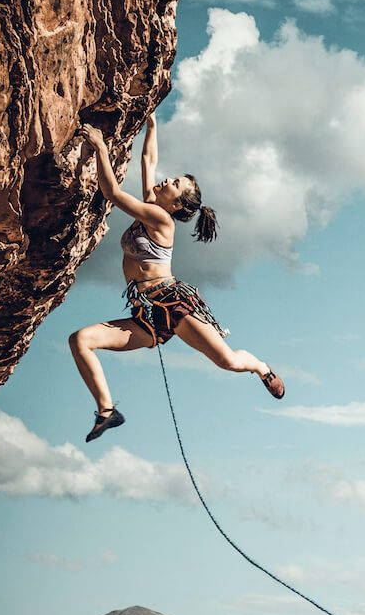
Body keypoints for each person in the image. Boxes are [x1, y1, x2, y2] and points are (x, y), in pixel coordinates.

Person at [69, 113, 285, 443]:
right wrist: (152, 124)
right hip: (146, 314)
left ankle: (261, 367)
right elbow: (148, 159)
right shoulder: (153, 206)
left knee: (227, 361)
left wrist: (99, 145)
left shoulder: (159, 219)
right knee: (80, 340)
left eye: (176, 184)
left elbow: (111, 192)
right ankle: (107, 412)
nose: (167, 180)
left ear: (177, 203)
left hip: (175, 304)